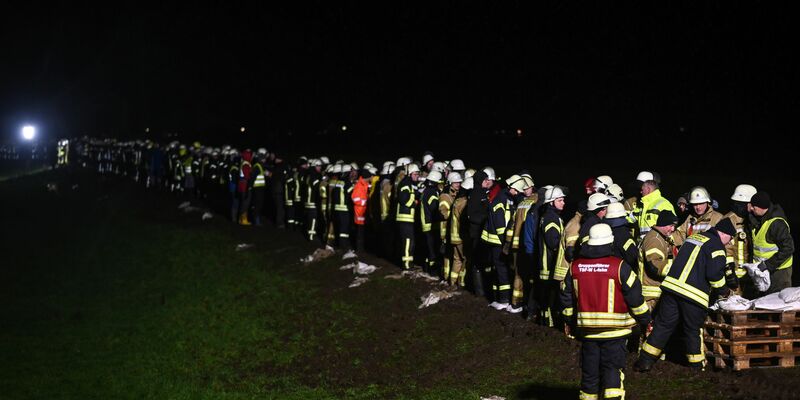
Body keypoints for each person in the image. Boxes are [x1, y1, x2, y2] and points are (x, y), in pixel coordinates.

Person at [560, 224, 651, 400]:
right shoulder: (620, 267)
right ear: (610, 243)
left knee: (589, 375)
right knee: (612, 373)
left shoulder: (575, 267)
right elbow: (635, 298)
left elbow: (565, 296)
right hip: (615, 333)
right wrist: (645, 319)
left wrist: (570, 320)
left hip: (588, 332)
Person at [635, 218, 737, 372]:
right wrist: (724, 292)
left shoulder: (693, 238)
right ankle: (696, 367)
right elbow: (714, 275)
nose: (729, 243)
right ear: (723, 233)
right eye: (730, 239)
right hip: (693, 295)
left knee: (662, 326)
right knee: (693, 330)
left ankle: (644, 361)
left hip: (671, 290)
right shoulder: (716, 245)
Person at [748, 192, 794, 294]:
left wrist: (768, 265)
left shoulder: (776, 224)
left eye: (754, 207)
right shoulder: (758, 219)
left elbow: (788, 248)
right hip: (763, 271)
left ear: (762, 208)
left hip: (779, 272)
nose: (751, 209)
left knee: (778, 304)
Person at [535, 186, 568, 326]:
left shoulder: (550, 216)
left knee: (546, 297)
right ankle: (548, 324)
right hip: (548, 265)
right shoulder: (551, 218)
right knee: (548, 297)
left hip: (547, 264)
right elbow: (553, 243)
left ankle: (546, 321)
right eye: (560, 200)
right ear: (551, 202)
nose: (563, 203)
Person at [639, 210, 678, 310]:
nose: (673, 229)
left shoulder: (660, 237)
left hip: (656, 291)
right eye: (671, 225)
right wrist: (677, 272)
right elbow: (654, 266)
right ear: (663, 224)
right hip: (651, 293)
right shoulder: (654, 239)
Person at [723, 184, 757, 294]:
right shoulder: (729, 220)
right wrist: (729, 272)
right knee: (732, 308)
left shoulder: (753, 220)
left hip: (751, 276)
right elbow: (726, 248)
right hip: (734, 277)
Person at [396, 163, 421, 269]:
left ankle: (409, 263)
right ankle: (406, 265)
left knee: (411, 242)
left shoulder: (410, 184)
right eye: (415, 174)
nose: (417, 176)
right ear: (409, 174)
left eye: (417, 174)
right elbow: (404, 200)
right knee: (407, 242)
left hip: (409, 218)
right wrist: (415, 202)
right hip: (404, 217)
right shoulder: (404, 184)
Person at [351, 169, 372, 252]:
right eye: (370, 176)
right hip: (359, 213)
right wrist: (365, 202)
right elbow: (354, 198)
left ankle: (361, 249)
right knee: (360, 233)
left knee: (362, 232)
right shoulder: (359, 185)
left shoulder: (364, 184)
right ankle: (359, 250)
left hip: (363, 212)